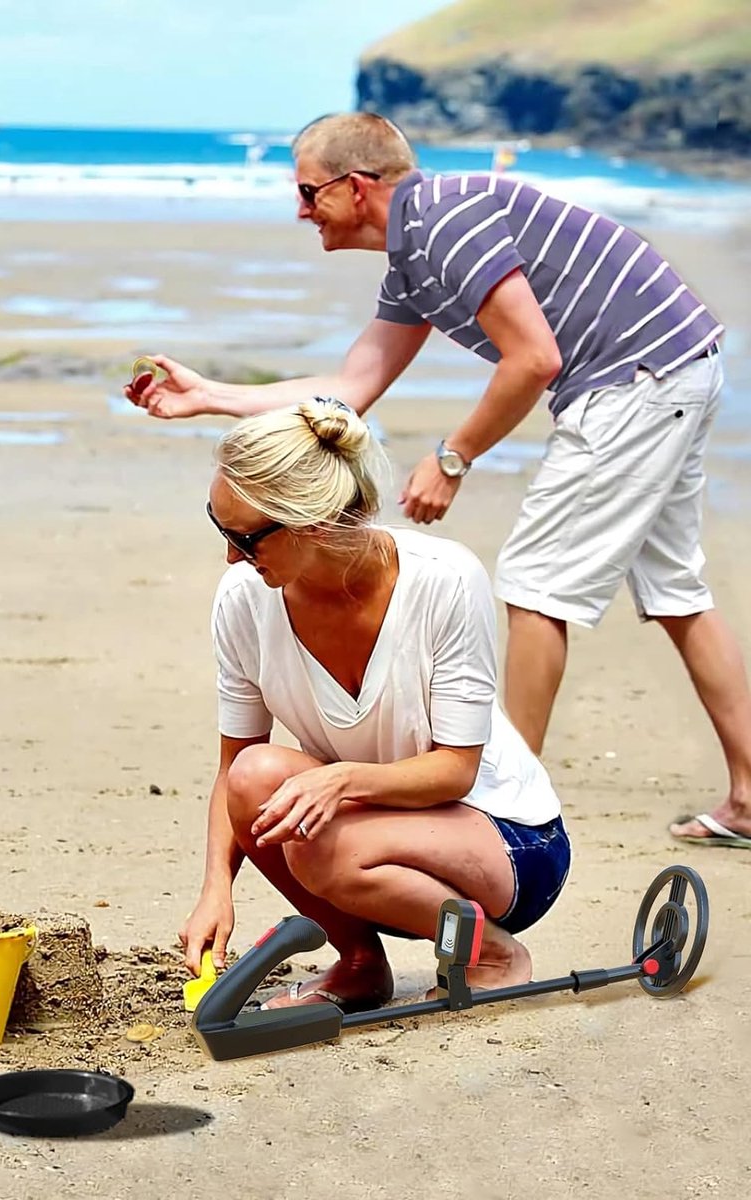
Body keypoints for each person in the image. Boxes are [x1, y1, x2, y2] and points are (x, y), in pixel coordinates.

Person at [129, 111, 751, 851]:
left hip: (633, 376)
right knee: (676, 592)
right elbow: (352, 385)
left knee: (535, 587)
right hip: (673, 364)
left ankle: (501, 813)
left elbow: (534, 358)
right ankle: (748, 797)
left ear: (356, 187)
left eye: (307, 191)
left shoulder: (443, 221)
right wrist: (213, 397)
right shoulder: (416, 256)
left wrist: (452, 458)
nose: (299, 210)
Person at [179, 399, 569, 1009]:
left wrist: (340, 782)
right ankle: (360, 963)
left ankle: (493, 951)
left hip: (507, 843)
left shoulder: (443, 579)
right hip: (372, 844)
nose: (231, 555)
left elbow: (454, 769)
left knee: (330, 851)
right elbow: (234, 769)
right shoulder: (243, 600)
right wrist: (215, 890)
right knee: (256, 778)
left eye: (244, 538)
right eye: (218, 525)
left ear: (309, 523)